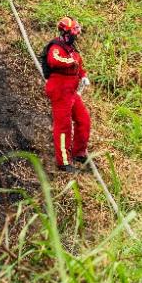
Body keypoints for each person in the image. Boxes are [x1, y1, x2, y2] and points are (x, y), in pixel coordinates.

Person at [43, 17, 91, 173]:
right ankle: (63, 161)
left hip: (71, 92)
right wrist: (70, 61)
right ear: (66, 32)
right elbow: (54, 60)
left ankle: (79, 152)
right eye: (74, 32)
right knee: (63, 126)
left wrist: (83, 76)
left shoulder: (72, 49)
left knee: (84, 119)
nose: (76, 36)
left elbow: (79, 63)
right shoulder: (56, 47)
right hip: (60, 91)